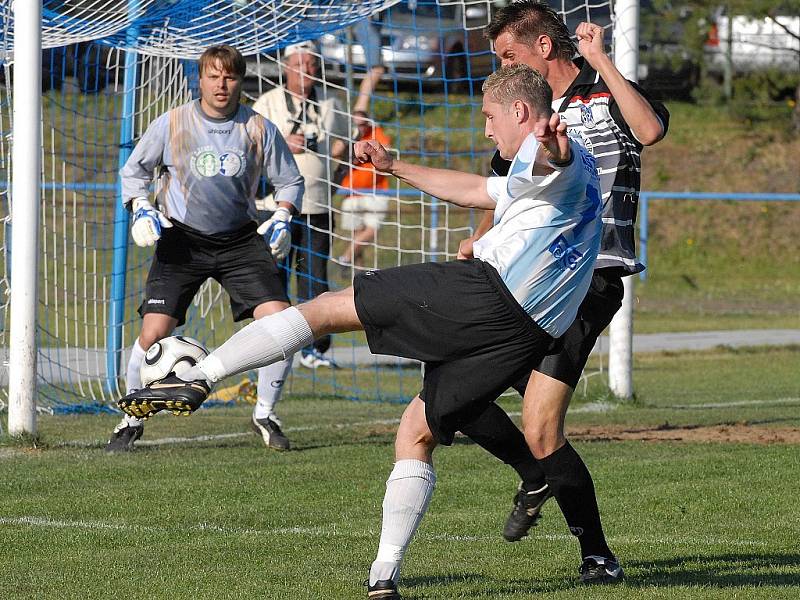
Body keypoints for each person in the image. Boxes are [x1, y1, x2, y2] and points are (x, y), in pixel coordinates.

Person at [117, 63, 604, 599]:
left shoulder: (550, 150)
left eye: (489, 117)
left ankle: (199, 374)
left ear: (518, 111)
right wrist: (395, 166)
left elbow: (551, 159)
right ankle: (383, 576)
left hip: (486, 294)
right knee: (416, 430)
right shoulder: (545, 164)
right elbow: (475, 190)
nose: (487, 130)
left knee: (328, 306)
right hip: (525, 332)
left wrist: (552, 144)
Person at [455, 1, 670, 584]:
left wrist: (601, 57)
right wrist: (477, 241)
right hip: (525, 277)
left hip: (587, 278)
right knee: (451, 388)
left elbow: (649, 131)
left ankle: (596, 554)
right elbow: (501, 192)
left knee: (541, 424)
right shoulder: (525, 116)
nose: (501, 65)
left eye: (508, 54)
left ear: (543, 48)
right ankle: (535, 472)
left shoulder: (607, 92)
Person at [105, 44, 305, 453]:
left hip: (240, 240)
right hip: (182, 239)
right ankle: (130, 419)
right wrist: (141, 207)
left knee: (283, 325)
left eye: (229, 77)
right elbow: (134, 172)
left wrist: (284, 215)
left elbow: (291, 182)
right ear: (199, 80)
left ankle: (265, 414)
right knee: (153, 333)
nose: (221, 84)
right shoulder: (173, 122)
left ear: (240, 81)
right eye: (213, 76)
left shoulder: (258, 127)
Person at [252, 41, 350, 369]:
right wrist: (281, 144)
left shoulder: (333, 104)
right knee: (273, 278)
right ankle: (272, 347)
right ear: (285, 68)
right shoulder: (267, 103)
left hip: (318, 208)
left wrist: (335, 177)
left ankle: (313, 350)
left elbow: (345, 147)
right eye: (298, 64)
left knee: (312, 279)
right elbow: (251, 150)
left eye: (310, 64)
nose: (305, 71)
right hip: (275, 208)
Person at [337, 110, 392, 270]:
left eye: (363, 124)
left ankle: (345, 257)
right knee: (356, 236)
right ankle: (359, 276)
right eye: (356, 124)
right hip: (352, 193)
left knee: (371, 231)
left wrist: (368, 150)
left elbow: (387, 148)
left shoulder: (375, 132)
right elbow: (335, 152)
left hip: (376, 191)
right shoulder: (347, 135)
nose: (359, 128)